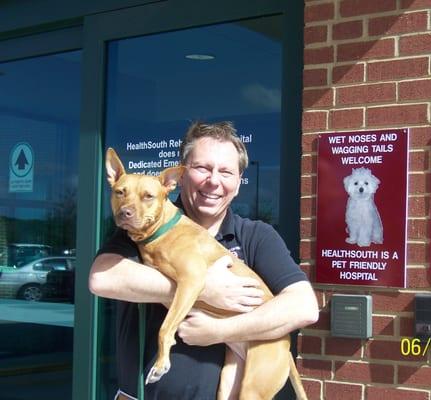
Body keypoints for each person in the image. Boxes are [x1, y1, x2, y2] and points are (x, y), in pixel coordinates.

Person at [89, 121, 319, 400]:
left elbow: (305, 307)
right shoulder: (144, 226)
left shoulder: (255, 236)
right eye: (202, 168)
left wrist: (217, 330)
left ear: (238, 182)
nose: (214, 181)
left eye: (226, 172)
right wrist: (204, 288)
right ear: (182, 175)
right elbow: (101, 278)